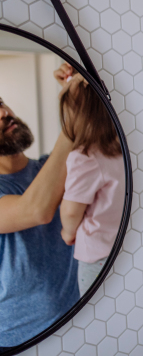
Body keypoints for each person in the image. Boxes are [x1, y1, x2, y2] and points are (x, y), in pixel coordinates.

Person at [0, 64, 79, 349]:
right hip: (20, 342)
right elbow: (36, 210)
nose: (3, 113)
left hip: (80, 321)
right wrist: (72, 120)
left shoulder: (49, 169)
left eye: (0, 103)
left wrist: (73, 96)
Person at [58, 69, 125, 296]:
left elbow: (70, 210)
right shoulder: (120, 149)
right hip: (123, 247)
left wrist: (68, 232)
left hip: (95, 256)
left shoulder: (85, 157)